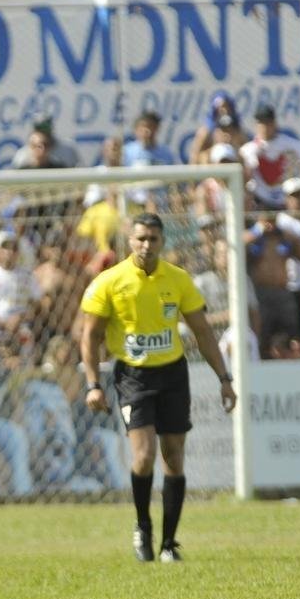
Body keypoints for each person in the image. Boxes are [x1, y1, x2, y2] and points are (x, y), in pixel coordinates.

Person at [80, 213, 236, 563]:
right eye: (140, 239)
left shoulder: (178, 280)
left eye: (153, 238)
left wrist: (225, 379)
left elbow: (203, 332)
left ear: (163, 241)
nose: (146, 245)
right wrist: (92, 384)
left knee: (175, 457)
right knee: (144, 455)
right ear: (129, 241)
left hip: (172, 373)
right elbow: (89, 336)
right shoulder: (111, 281)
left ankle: (169, 543)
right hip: (133, 376)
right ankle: (142, 526)